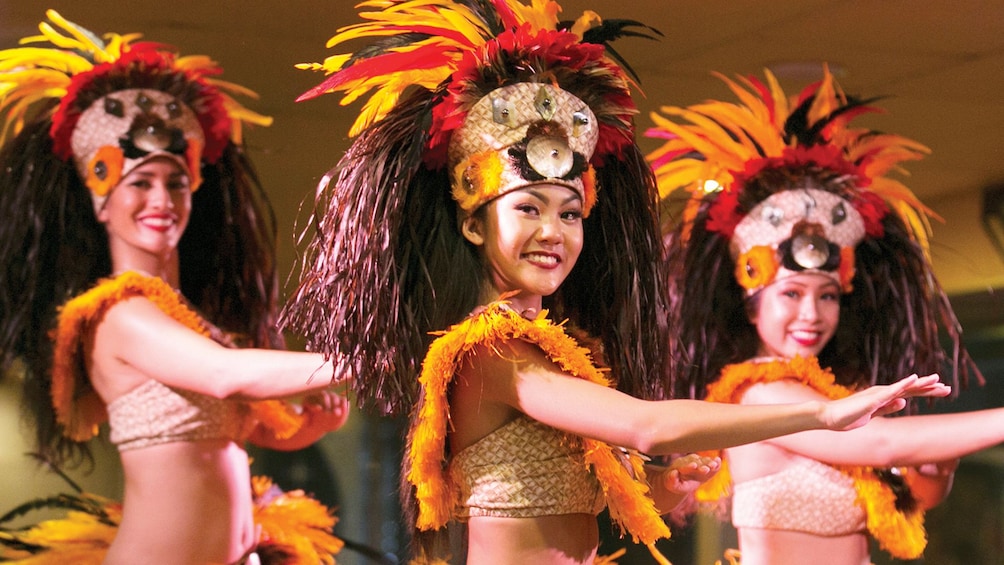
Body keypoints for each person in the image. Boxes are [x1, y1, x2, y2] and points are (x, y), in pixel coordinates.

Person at [280, 3, 949, 563]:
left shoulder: (556, 352)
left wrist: (657, 486)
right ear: (475, 222)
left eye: (570, 211)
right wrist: (825, 412)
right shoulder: (487, 350)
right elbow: (647, 423)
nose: (554, 231)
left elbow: (598, 487)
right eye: (528, 207)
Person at [0, 11, 347, 565]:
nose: (161, 200)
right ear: (101, 200)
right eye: (140, 183)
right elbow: (225, 376)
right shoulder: (118, 314)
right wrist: (366, 357)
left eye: (175, 182)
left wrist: (304, 431)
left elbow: (219, 431)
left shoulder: (189, 322)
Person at [649, 65, 1004, 565]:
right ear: (752, 304)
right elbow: (880, 446)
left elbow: (911, 493)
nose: (811, 314)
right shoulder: (756, 393)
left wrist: (935, 471)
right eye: (791, 294)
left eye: (828, 295)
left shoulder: (831, 392)